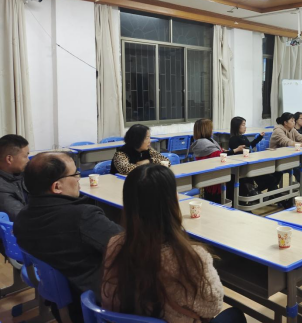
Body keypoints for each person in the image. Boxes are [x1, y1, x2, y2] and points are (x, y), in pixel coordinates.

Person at [102, 164, 246, 323]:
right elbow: (213, 307)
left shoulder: (115, 245)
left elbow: (108, 299)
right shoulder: (190, 256)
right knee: (235, 315)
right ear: (170, 203)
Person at [14, 152, 122, 322]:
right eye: (75, 174)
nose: (79, 179)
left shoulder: (22, 218)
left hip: (62, 305)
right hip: (96, 306)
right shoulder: (83, 217)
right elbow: (131, 246)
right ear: (57, 186)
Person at [189, 119, 245, 204]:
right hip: (211, 176)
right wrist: (235, 150)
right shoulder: (203, 143)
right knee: (235, 179)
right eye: (211, 128)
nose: (212, 130)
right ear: (206, 129)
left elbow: (218, 151)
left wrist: (223, 150)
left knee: (238, 177)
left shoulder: (208, 140)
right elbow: (219, 155)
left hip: (215, 171)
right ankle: (236, 204)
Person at [270, 113, 302, 200]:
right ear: (285, 122)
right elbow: (288, 143)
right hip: (276, 161)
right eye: (292, 121)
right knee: (297, 167)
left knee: (299, 165)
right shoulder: (278, 131)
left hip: (287, 159)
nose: (294, 122)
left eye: (294, 120)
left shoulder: (292, 130)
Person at [227, 117, 279, 199]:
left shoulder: (243, 137)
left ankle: (263, 194)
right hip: (244, 168)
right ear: (237, 126)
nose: (245, 127)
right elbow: (240, 153)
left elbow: (250, 146)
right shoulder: (233, 140)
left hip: (251, 164)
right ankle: (260, 194)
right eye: (243, 125)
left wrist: (259, 137)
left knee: (275, 176)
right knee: (271, 179)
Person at [0, 135, 30, 221]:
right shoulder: (2, 188)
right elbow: (22, 217)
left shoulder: (22, 172)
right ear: (9, 159)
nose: (28, 160)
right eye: (25, 156)